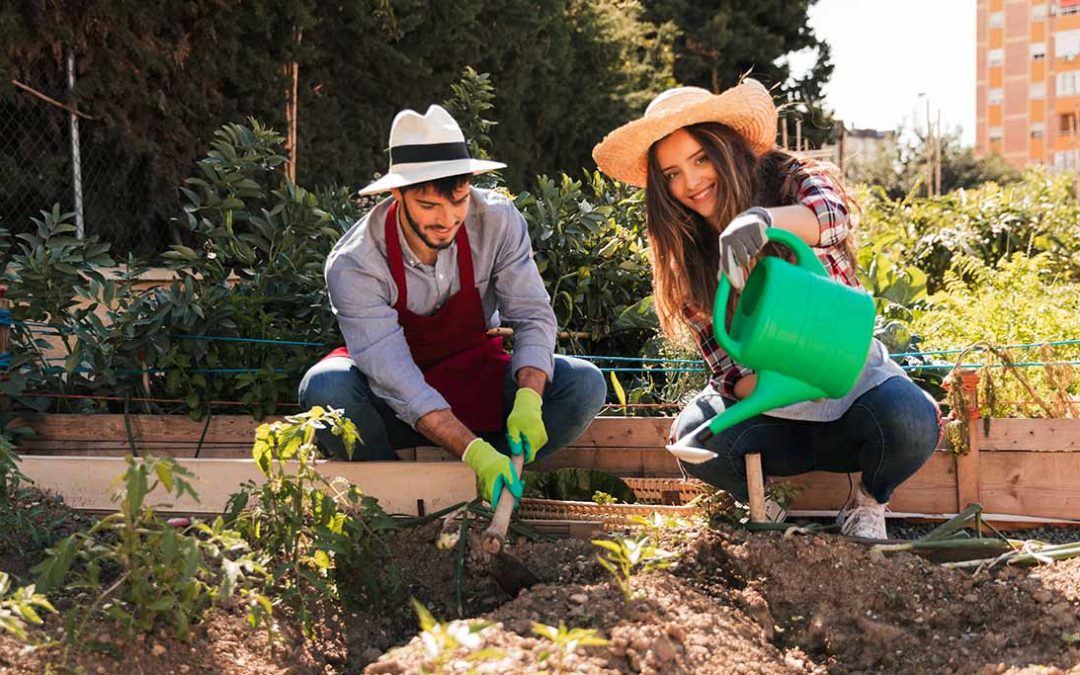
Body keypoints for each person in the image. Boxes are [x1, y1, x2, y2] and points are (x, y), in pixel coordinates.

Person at [592, 79, 940, 539]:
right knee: (696, 433)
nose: (691, 182)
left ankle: (868, 502)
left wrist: (763, 222)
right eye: (672, 173)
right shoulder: (689, 256)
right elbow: (728, 371)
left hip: (855, 394)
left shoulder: (789, 180)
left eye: (699, 159)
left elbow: (831, 218)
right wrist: (782, 380)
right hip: (778, 419)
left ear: (726, 147)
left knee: (912, 418)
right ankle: (766, 502)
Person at [300, 104, 607, 510]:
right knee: (325, 388)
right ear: (398, 194)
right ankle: (394, 500)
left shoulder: (496, 221)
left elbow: (532, 315)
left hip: (472, 377)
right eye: (429, 206)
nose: (447, 219)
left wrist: (530, 399)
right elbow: (396, 380)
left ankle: (493, 478)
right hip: (390, 401)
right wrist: (471, 449)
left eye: (458, 200)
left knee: (583, 385)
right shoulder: (356, 263)